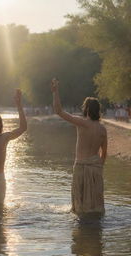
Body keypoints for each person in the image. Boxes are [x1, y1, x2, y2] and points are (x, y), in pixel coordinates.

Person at [51, 78, 107, 216]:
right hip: (96, 167)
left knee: (79, 205)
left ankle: (83, 233)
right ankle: (95, 232)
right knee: (95, 204)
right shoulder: (102, 129)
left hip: (81, 166)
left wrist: (55, 91)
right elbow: (104, 153)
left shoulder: (82, 123)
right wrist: (99, 168)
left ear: (87, 109)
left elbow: (58, 111)